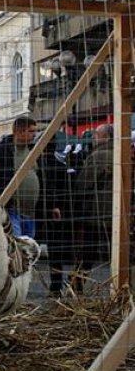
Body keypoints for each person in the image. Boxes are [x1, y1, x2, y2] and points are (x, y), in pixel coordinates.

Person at [0, 116, 41, 238]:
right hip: (10, 210)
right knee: (15, 247)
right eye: (31, 131)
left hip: (31, 213)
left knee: (28, 249)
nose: (34, 135)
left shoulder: (34, 151)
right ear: (19, 131)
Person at [72, 124, 114, 292]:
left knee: (88, 250)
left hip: (97, 211)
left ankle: (78, 283)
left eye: (97, 134)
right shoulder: (120, 153)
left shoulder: (99, 156)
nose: (94, 138)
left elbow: (83, 183)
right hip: (115, 212)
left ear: (106, 137)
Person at [35, 136, 75, 296]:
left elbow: (51, 188)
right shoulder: (59, 165)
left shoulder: (39, 165)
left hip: (41, 212)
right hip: (54, 213)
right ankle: (56, 284)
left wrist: (53, 205)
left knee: (45, 248)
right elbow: (64, 190)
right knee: (55, 250)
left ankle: (55, 284)